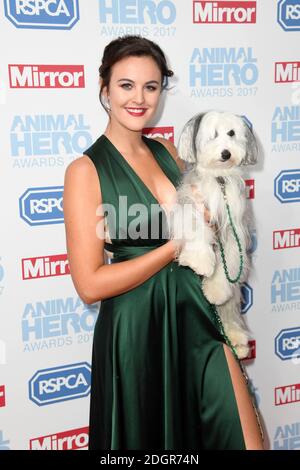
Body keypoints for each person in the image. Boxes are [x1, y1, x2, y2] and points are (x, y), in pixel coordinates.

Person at [63, 35, 264, 450]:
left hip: (196, 313)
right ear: (105, 89)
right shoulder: (86, 170)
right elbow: (90, 284)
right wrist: (174, 247)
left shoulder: (169, 152)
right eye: (126, 85)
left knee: (245, 438)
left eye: (151, 86)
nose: (139, 98)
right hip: (135, 330)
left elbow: (211, 224)